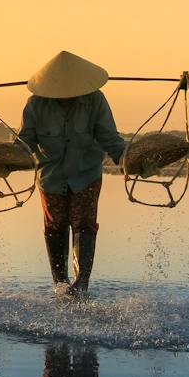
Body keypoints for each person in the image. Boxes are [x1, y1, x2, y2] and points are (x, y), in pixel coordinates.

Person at [17, 50, 126, 298]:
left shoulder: (95, 100)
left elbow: (110, 138)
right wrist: (5, 159)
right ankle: (60, 284)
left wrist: (129, 161)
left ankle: (81, 283)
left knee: (84, 225)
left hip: (85, 174)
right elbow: (25, 142)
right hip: (51, 177)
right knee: (55, 227)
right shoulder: (36, 104)